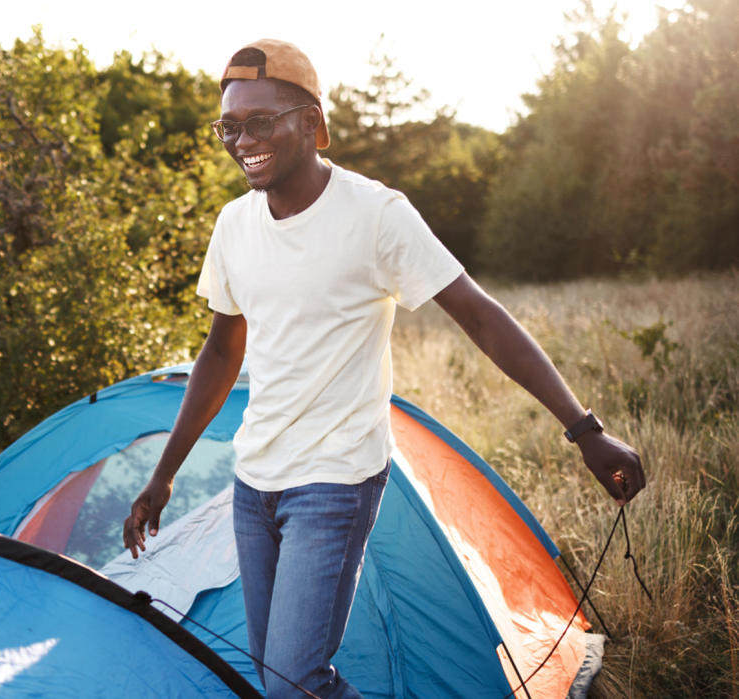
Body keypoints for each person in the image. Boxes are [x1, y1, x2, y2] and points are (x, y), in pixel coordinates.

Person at [121, 39, 646, 699]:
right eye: (230, 125)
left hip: (336, 481)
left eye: (261, 122)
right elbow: (221, 352)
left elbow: (479, 315)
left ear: (311, 122)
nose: (241, 140)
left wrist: (584, 428)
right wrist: (163, 475)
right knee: (276, 677)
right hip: (255, 483)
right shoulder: (232, 226)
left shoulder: (375, 215)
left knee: (292, 683)